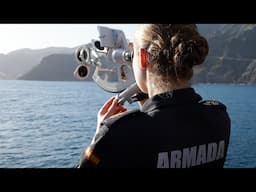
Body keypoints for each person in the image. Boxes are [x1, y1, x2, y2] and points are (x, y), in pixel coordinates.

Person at [78, 24, 231, 168]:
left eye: (134, 55)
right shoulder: (219, 118)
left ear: (143, 58)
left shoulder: (118, 134)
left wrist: (99, 138)